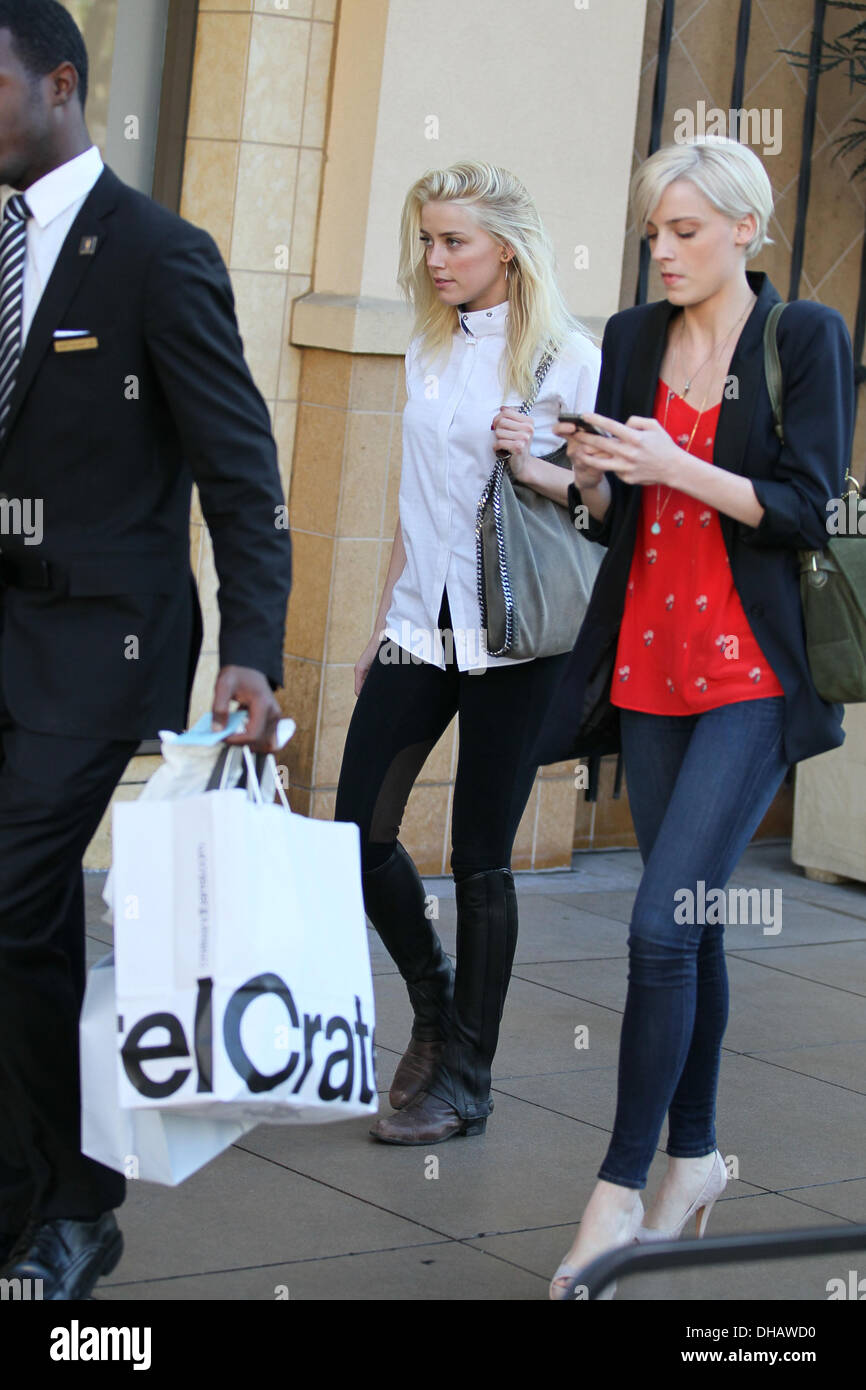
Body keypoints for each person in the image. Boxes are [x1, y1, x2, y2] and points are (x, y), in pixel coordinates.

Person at [0, 1, 291, 1299]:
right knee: (31, 923)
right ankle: (50, 1190)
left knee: (7, 900)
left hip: (98, 645)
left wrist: (255, 652)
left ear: (62, 82)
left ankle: (68, 1196)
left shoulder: (159, 256)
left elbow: (242, 473)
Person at [535, 134, 854, 1298]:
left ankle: (617, 1194)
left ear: (743, 232)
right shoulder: (630, 340)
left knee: (659, 930)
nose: (660, 251)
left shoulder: (802, 337)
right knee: (700, 920)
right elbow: (615, 508)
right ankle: (695, 1161)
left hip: (752, 675)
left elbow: (801, 511)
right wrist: (573, 473)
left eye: (683, 231)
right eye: (652, 232)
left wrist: (671, 462)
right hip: (648, 662)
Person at [335, 160, 600, 1145]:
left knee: (481, 854)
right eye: (425, 240)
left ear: (506, 247)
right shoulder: (426, 348)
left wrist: (533, 463)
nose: (434, 258)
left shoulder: (566, 359)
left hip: (516, 641)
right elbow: (414, 508)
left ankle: (469, 1079)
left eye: (453, 240)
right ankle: (436, 1010)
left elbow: (597, 507)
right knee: (356, 837)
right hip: (418, 624)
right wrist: (377, 629)